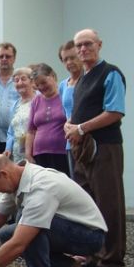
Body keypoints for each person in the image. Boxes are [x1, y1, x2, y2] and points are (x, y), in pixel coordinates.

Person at [64, 29, 127, 267]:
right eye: (79, 45)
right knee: (87, 204)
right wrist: (70, 125)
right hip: (82, 150)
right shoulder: (81, 79)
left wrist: (80, 128)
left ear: (99, 44)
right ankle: (93, 255)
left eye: (87, 44)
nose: (82, 49)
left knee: (108, 204)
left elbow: (115, 111)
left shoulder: (110, 73)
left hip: (105, 148)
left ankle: (112, 262)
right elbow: (80, 111)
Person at [25, 63, 69, 174]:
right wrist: (28, 154)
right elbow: (31, 130)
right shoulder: (36, 100)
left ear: (53, 76)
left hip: (61, 153)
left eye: (44, 82)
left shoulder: (65, 96)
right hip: (39, 154)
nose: (41, 87)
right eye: (38, 85)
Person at [0, 42, 20, 153]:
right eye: (1, 56)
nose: (4, 59)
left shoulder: (21, 81)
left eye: (8, 56)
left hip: (16, 139)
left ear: (14, 58)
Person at [57, 40, 83, 177]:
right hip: (70, 143)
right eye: (65, 59)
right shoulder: (63, 85)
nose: (69, 62)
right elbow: (64, 113)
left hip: (87, 139)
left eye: (72, 58)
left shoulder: (87, 80)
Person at [4, 67, 36, 163]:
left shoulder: (39, 100)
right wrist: (8, 148)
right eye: (16, 80)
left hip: (34, 151)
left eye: (23, 79)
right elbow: (11, 131)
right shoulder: (15, 105)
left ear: (32, 81)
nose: (19, 83)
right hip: (17, 153)